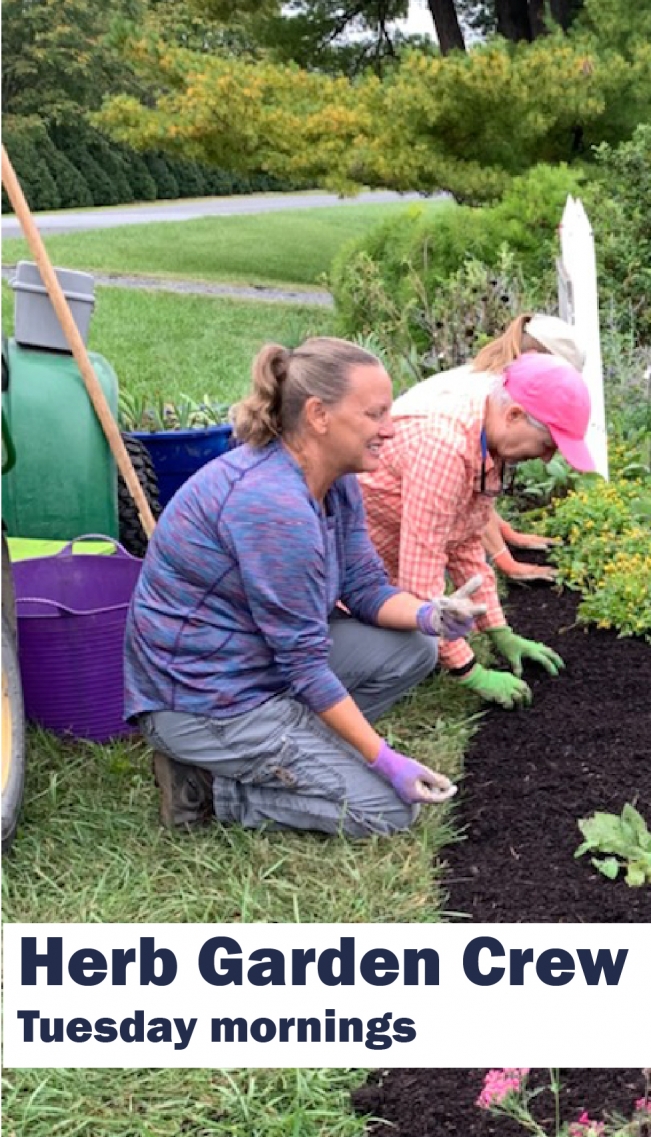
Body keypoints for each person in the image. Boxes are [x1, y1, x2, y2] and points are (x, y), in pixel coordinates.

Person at [124, 337, 486, 837]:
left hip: (256, 666)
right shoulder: (274, 509)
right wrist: (383, 759)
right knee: (385, 810)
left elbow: (363, 588)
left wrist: (431, 617)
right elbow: (305, 666)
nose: (390, 427)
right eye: (375, 413)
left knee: (416, 647)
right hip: (204, 703)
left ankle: (300, 745)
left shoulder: (334, 481)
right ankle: (209, 786)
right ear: (318, 415)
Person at [359, 350, 595, 709]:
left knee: (421, 640)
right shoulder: (445, 447)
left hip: (387, 556)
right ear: (514, 415)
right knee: (417, 650)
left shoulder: (486, 442)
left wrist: (498, 630)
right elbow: (421, 581)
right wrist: (470, 671)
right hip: (349, 572)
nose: (548, 458)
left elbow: (466, 542)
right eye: (547, 444)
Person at [396, 313, 587, 583]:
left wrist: (506, 533)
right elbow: (455, 491)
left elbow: (474, 492)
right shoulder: (475, 403)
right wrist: (505, 561)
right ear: (533, 355)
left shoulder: (494, 389)